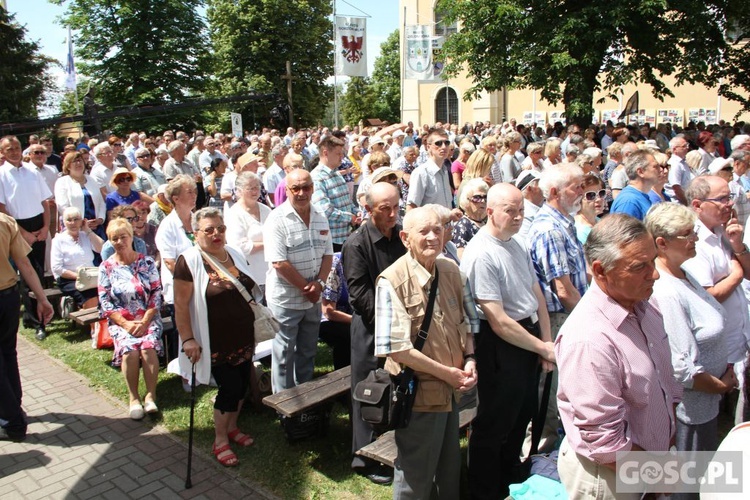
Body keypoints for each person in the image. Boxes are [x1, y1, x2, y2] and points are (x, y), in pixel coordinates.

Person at [555, 214, 683, 499]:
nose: (655, 274)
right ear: (601, 271)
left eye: (654, 261)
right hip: (611, 480)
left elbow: (665, 387)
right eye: (640, 267)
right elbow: (605, 444)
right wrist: (656, 476)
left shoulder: (646, 308)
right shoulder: (589, 340)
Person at [374, 206, 478, 499]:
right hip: (419, 395)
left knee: (449, 470)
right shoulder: (391, 280)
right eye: (424, 231)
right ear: (406, 238)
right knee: (414, 479)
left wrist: (470, 359)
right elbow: (395, 348)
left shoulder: (451, 270)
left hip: (452, 392)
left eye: (438, 229)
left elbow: (469, 322)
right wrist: (449, 373)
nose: (433, 237)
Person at [461, 183, 554, 499]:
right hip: (501, 345)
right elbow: (498, 321)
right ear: (490, 211)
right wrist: (542, 347)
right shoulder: (480, 253)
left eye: (521, 211)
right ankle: (484, 490)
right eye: (510, 211)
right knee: (494, 423)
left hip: (526, 338)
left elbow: (536, 293)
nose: (517, 217)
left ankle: (509, 480)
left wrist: (545, 340)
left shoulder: (517, 243)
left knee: (522, 413)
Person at [645, 203, 736, 461]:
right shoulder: (667, 292)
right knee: (684, 484)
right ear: (662, 243)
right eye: (688, 234)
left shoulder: (684, 274)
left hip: (703, 407)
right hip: (688, 413)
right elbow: (682, 368)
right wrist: (720, 386)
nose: (695, 238)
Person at [174, 207, 257, 467]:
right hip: (214, 339)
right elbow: (180, 305)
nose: (216, 234)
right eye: (208, 230)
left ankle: (232, 427)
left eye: (220, 228)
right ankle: (220, 439)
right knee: (229, 387)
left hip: (243, 334)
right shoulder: (188, 260)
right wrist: (188, 339)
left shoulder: (233, 253)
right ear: (195, 233)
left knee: (243, 383)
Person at [342, 182, 406, 484]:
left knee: (393, 391)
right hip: (371, 332)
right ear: (368, 210)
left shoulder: (400, 236)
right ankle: (363, 457)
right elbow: (360, 296)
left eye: (396, 206)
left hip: (400, 329)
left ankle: (390, 447)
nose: (393, 214)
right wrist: (391, 326)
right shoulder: (356, 245)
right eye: (385, 209)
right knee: (368, 392)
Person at [683, 176, 750, 424]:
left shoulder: (724, 230)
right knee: (722, 422)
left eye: (730, 197)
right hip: (720, 353)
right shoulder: (695, 241)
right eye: (722, 198)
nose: (729, 203)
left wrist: (738, 247)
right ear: (698, 205)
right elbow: (707, 296)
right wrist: (737, 274)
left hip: (740, 342)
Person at [263, 169, 333, 392]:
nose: (302, 193)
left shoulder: (320, 215)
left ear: (313, 188)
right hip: (286, 300)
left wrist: (319, 285)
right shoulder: (276, 219)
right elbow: (279, 263)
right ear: (287, 190)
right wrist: (307, 288)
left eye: (307, 187)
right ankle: (283, 403)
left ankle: (305, 397)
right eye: (296, 188)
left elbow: (328, 255)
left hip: (312, 297)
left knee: (308, 350)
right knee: (284, 353)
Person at [98, 218, 163, 420]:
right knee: (130, 352)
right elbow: (104, 300)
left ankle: (151, 396)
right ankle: (133, 398)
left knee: (147, 347)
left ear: (131, 236)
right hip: (122, 321)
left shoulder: (147, 262)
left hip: (147, 318)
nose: (119, 242)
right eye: (114, 238)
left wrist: (144, 322)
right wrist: (125, 323)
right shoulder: (106, 267)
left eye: (123, 237)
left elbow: (156, 294)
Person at [0, 213, 54, 441]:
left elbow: (25, 263)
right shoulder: (5, 221)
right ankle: (14, 407)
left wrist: (42, 299)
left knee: (6, 356)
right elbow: (24, 264)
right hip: (9, 298)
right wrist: (42, 298)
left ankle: (12, 420)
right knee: (8, 354)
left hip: (8, 295)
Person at [0, 135, 52, 341]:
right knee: (25, 273)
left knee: (38, 272)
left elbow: (45, 202)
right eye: (8, 149)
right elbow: (2, 208)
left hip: (38, 224)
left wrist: (46, 226)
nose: (13, 152)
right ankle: (34, 320)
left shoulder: (32, 171)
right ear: (2, 152)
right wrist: (23, 233)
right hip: (16, 226)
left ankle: (40, 312)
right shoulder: (2, 174)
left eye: (16, 148)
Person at [155, 175, 198, 361]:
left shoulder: (197, 219)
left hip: (201, 287)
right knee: (185, 332)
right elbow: (170, 262)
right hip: (180, 290)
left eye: (195, 191)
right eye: (189, 192)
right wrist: (193, 281)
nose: (194, 195)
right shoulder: (167, 226)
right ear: (176, 198)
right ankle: (187, 374)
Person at [224, 171, 272, 292]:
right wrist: (269, 244)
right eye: (250, 188)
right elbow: (239, 247)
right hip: (251, 276)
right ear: (239, 191)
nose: (255, 191)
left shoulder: (266, 210)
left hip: (271, 273)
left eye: (257, 187)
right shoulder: (234, 214)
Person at [310, 136, 358, 251]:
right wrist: (350, 217)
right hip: (331, 242)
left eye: (342, 153)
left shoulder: (337, 173)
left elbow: (347, 201)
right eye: (338, 154)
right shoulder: (317, 178)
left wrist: (356, 212)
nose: (342, 157)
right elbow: (324, 210)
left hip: (345, 237)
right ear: (325, 153)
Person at [51, 207, 104, 309]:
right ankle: (93, 324)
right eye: (69, 220)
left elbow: (102, 248)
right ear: (64, 222)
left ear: (82, 221)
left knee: (104, 292)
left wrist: (88, 230)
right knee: (90, 297)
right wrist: (79, 276)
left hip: (91, 277)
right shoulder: (58, 240)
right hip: (70, 278)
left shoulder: (85, 235)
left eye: (76, 219)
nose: (73, 223)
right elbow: (57, 268)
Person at [55, 151, 107, 241]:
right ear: (68, 165)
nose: (78, 163)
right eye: (74, 161)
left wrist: (100, 219)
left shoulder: (92, 180)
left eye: (80, 160)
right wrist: (81, 223)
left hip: (96, 227)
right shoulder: (62, 182)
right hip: (75, 228)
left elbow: (101, 202)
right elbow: (63, 206)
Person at [406, 129, 458, 214]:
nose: (444, 147)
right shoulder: (421, 173)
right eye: (438, 143)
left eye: (446, 143)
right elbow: (411, 208)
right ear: (428, 147)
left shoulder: (445, 171)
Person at [318, 252, 352, 370]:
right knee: (349, 336)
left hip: (351, 315)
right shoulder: (335, 265)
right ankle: (344, 380)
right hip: (326, 320)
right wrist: (357, 321)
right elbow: (328, 312)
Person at [609, 149, 659, 220]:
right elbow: (623, 230)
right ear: (640, 172)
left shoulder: (640, 197)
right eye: (655, 166)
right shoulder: (629, 202)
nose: (661, 169)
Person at [452, 178, 489, 260]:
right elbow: (460, 258)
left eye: (485, 197)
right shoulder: (463, 225)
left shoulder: (485, 222)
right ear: (467, 200)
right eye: (477, 197)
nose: (482, 201)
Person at [574, 173, 607, 245]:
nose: (599, 199)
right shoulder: (580, 232)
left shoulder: (598, 221)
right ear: (578, 200)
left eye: (601, 193)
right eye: (591, 195)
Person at [516, 170, 543, 242]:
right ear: (530, 189)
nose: (544, 188)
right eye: (541, 185)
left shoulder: (540, 207)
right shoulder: (524, 215)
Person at [667, 135, 693, 204]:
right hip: (679, 203)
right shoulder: (675, 164)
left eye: (687, 145)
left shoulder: (682, 162)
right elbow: (676, 188)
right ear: (675, 149)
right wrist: (687, 202)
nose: (687, 148)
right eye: (684, 146)